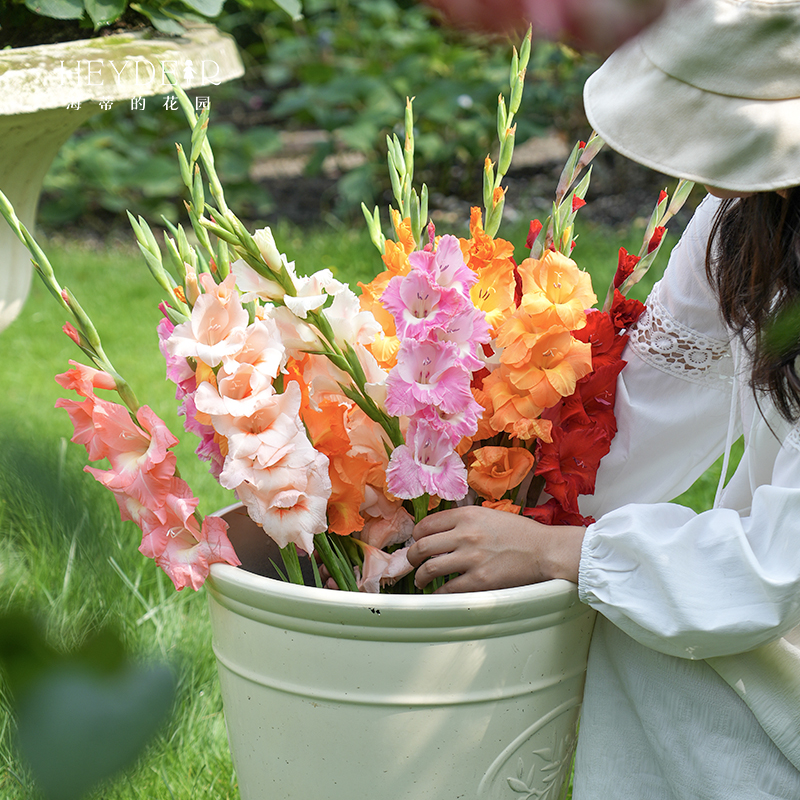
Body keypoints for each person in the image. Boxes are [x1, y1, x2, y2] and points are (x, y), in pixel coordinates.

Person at [407, 0, 800, 796]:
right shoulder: (749, 220)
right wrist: (453, 488)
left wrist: (560, 553)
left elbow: (775, 570)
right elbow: (640, 419)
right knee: (636, 597)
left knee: (645, 610)